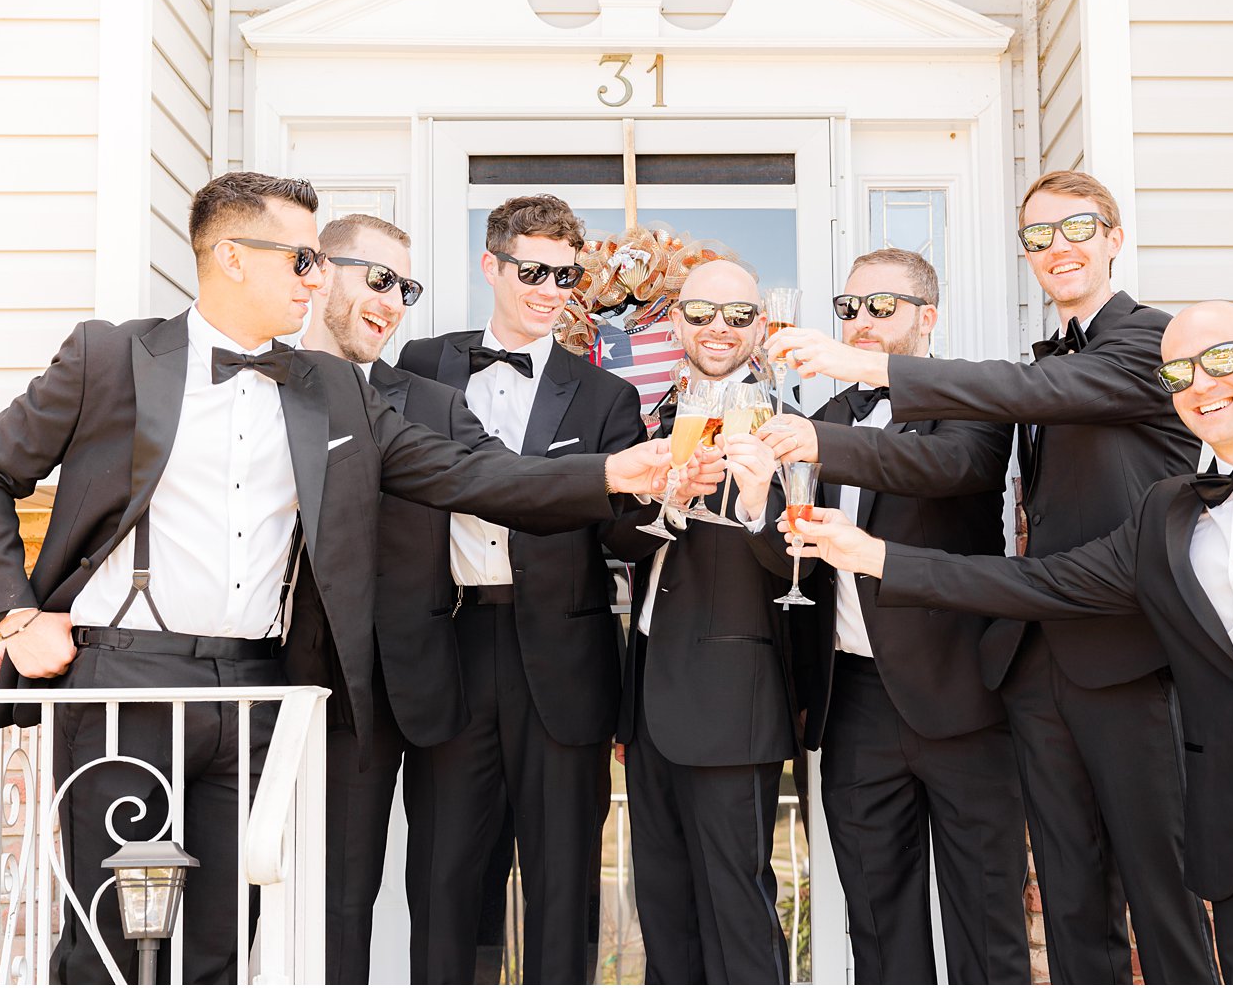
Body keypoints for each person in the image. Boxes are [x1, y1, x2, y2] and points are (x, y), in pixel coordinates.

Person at [0, 172, 702, 984]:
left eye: (320, 262)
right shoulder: (111, 355)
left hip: (260, 690)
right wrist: (13, 611)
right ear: (229, 257)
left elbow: (473, 475)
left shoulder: (331, 390)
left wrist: (613, 472)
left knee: (224, 941)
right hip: (126, 679)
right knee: (110, 942)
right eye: (302, 260)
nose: (317, 279)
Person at [790, 300, 1233, 984]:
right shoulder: (1168, 513)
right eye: (1178, 373)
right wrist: (876, 556)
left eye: (1220, 358)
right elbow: (1045, 583)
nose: (1201, 384)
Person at [770, 171, 1218, 982]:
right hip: (1035, 670)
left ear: (1115, 237)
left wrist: (868, 368)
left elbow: (998, 423)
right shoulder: (1044, 361)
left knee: (1164, 902)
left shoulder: (1150, 341)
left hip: (1129, 660)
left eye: (1076, 228)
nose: (1058, 249)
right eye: (1039, 238)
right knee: (1076, 903)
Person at [747, 248, 1029, 983]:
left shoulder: (968, 401)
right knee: (877, 927)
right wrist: (756, 500)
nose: (860, 322)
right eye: (847, 308)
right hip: (853, 705)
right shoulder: (824, 416)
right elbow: (794, 555)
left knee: (987, 922)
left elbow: (945, 469)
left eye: (881, 307)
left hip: (963, 699)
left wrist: (817, 443)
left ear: (927, 317)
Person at [395, 194, 653, 984]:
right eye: (533, 270)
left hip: (564, 658)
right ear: (491, 265)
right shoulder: (419, 366)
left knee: (563, 879)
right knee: (444, 876)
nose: (550, 289)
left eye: (566, 274)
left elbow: (621, 532)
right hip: (450, 645)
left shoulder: (608, 397)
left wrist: (672, 498)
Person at [296, 212, 492, 983]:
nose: (394, 301)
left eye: (405, 287)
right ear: (317, 272)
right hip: (321, 694)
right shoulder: (267, 386)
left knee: (445, 901)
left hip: (432, 687)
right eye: (378, 278)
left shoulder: (434, 402)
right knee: (338, 903)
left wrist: (619, 481)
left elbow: (506, 482)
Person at [616, 258, 803, 984]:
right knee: (665, 909)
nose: (717, 329)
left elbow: (805, 563)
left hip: (734, 697)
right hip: (650, 700)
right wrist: (663, 502)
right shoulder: (652, 417)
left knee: (738, 910)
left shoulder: (790, 420)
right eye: (699, 314)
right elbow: (612, 538)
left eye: (735, 315)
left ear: (759, 323)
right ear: (676, 323)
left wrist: (755, 503)